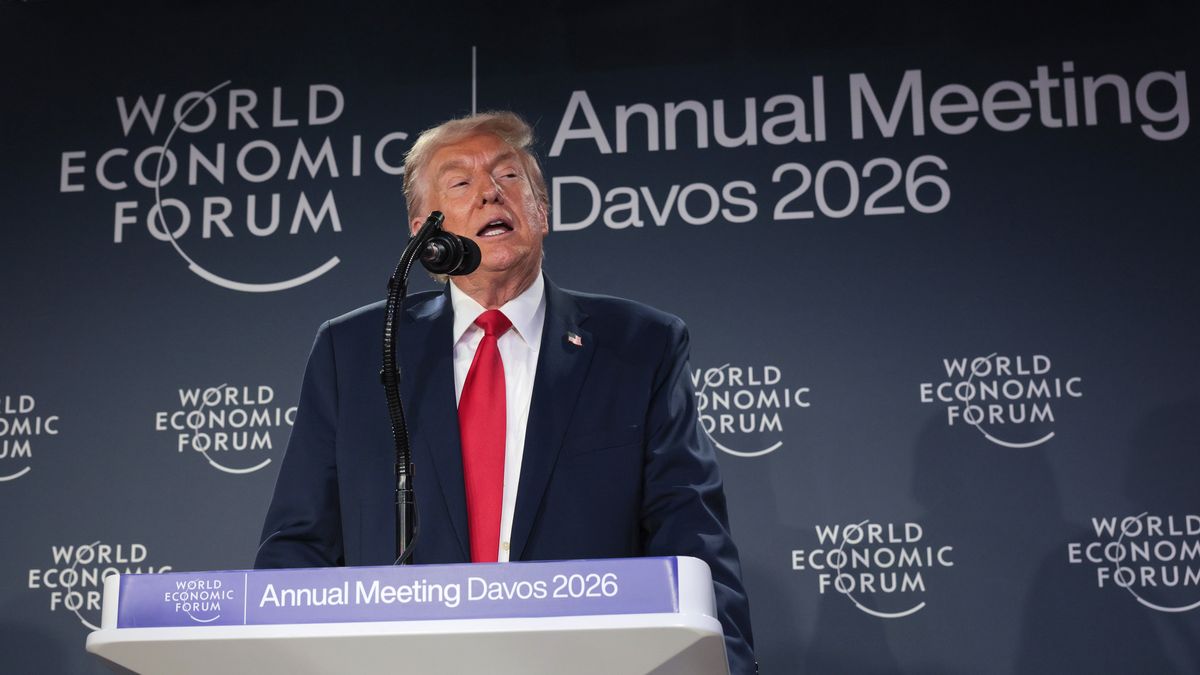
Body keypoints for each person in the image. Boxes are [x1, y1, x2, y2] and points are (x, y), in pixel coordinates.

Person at [255, 111, 756, 674]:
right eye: (461, 183)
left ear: (542, 212)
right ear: (426, 233)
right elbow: (299, 545)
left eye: (509, 177)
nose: (490, 193)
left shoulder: (640, 346)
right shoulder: (354, 352)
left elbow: (690, 535)